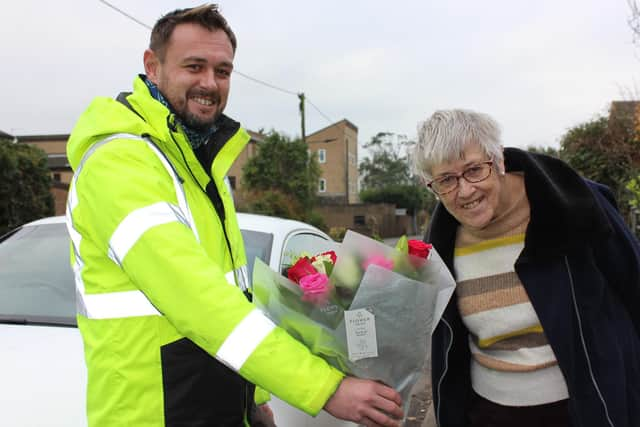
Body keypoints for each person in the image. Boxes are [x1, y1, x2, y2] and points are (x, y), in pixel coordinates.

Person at [65, 4, 402, 427]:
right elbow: (199, 300)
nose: (210, 83)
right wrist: (325, 388)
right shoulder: (120, 163)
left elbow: (236, 294)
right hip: (156, 414)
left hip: (214, 408)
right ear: (153, 66)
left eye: (223, 71)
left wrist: (254, 396)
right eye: (194, 66)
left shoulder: (199, 167)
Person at [411, 109, 640, 427]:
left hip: (588, 408)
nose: (465, 190)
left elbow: (633, 286)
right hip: (490, 414)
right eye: (446, 180)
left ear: (499, 161)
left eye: (475, 170)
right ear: (431, 185)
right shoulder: (440, 244)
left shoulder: (574, 206)